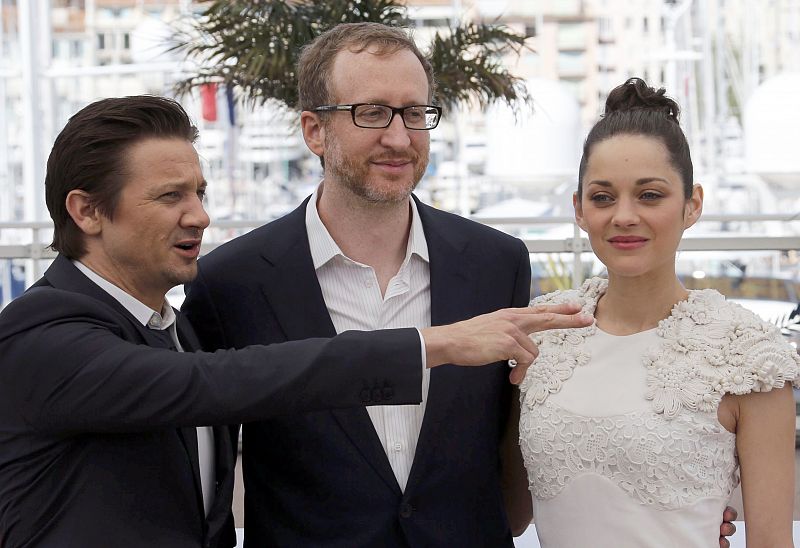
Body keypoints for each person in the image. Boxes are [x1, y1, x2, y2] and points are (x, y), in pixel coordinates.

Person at [0, 96, 588, 548]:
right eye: (170, 196)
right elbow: (220, 383)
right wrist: (432, 345)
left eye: (200, 192)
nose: (200, 216)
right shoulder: (41, 334)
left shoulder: (174, 330)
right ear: (87, 211)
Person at [181, 22, 542, 547]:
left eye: (414, 113)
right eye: (371, 113)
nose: (399, 138)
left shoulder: (497, 263)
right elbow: (206, 470)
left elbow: (511, 439)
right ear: (314, 131)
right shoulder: (231, 283)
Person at [517, 77, 799, 547]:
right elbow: (508, 511)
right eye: (603, 197)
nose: (624, 216)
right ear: (579, 209)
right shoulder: (541, 331)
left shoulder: (748, 356)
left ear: (692, 205)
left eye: (649, 195)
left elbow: (771, 540)